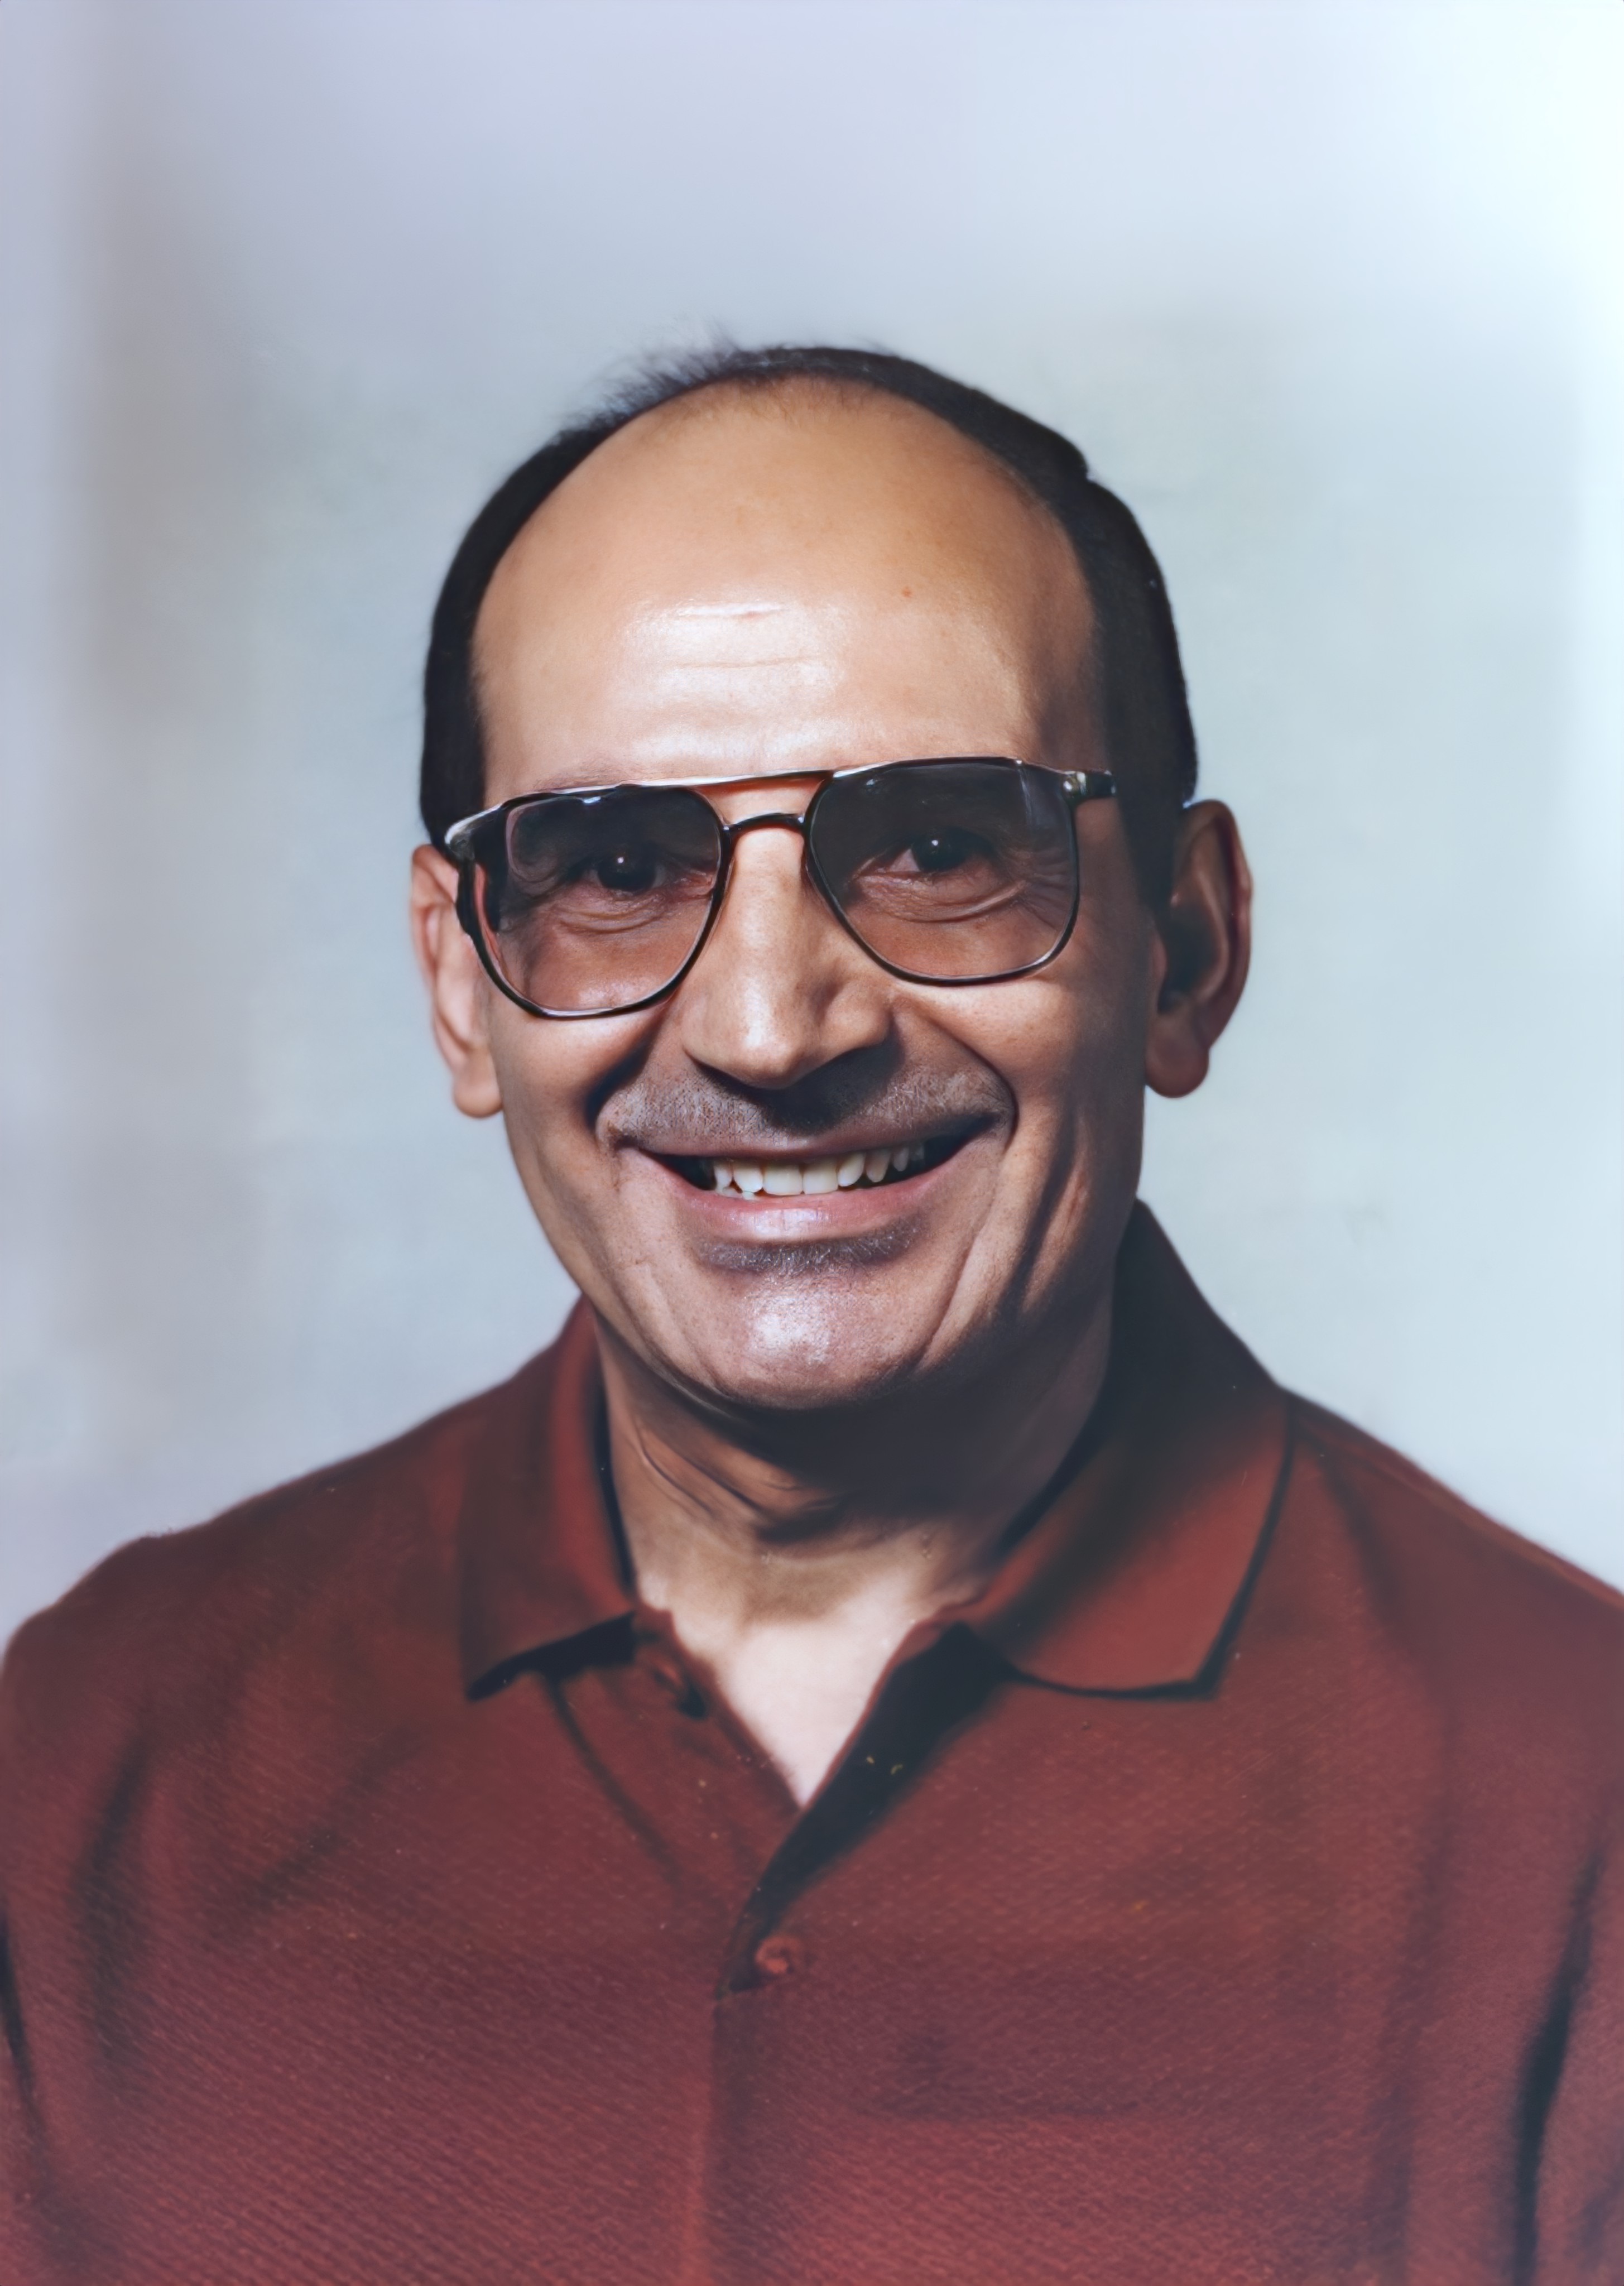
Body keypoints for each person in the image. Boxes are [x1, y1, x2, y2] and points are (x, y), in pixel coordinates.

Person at [1, 345, 1618, 2286]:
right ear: (459, 984)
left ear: (1185, 949)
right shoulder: (89, 1765)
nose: (769, 1029)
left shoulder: (1579, 1811)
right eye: (614, 868)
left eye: (938, 849)